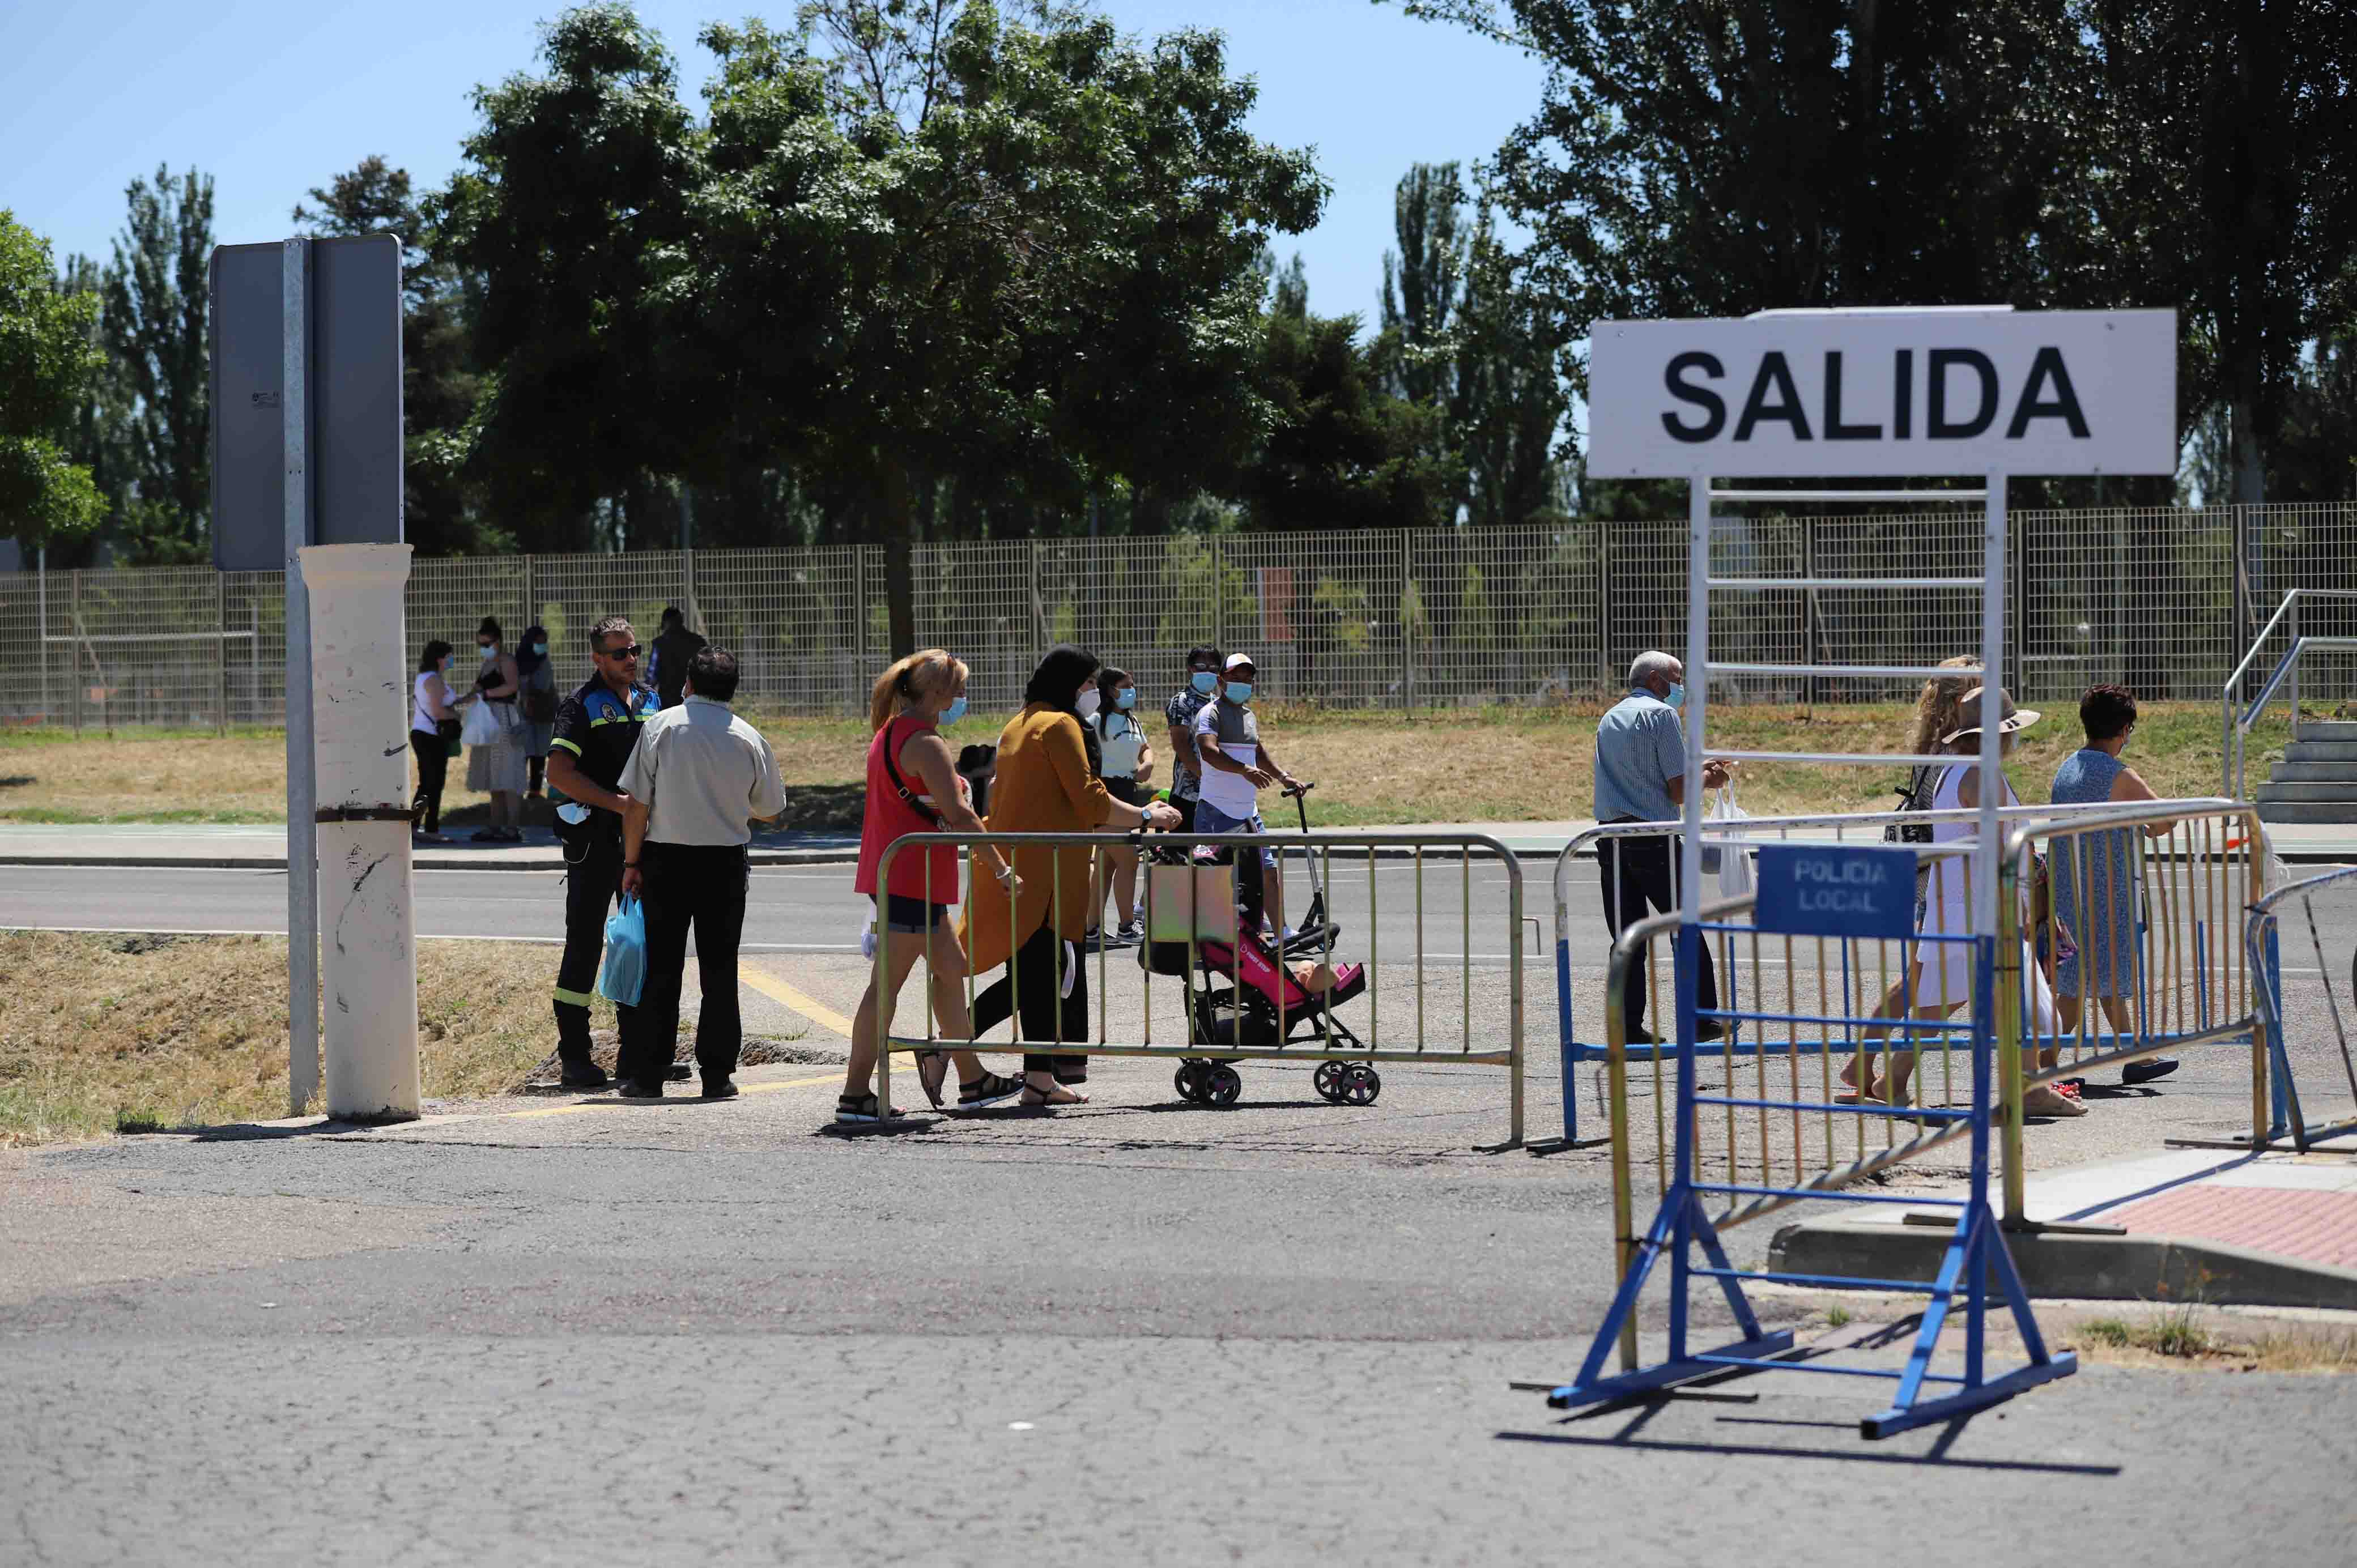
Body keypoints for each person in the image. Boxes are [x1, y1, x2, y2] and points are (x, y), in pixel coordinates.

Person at [963, 645, 1180, 1109]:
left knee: (1041, 975)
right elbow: (1089, 798)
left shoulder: (1018, 723)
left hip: (1021, 870)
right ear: (1067, 683)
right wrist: (1146, 814)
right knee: (1043, 977)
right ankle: (949, 1041)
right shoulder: (1059, 726)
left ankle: (1039, 1079)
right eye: (1086, 684)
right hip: (1046, 877)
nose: (1092, 693)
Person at [1849, 688, 2083, 1118]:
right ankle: (2029, 1088)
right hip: (1984, 905)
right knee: (2011, 992)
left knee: (1943, 1001)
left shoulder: (1954, 770)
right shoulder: (1981, 774)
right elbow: (2000, 844)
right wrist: (2021, 898)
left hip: (1956, 903)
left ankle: (1894, 1079)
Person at [845, 650, 1026, 1122]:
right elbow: (960, 813)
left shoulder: (893, 732)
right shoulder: (925, 742)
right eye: (959, 689)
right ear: (938, 693)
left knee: (951, 971)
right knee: (885, 990)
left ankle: (972, 1079)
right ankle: (856, 1095)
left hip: (909, 876)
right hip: (910, 878)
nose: (964, 696)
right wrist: (1001, 869)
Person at [616, 647, 786, 1100]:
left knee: (662, 971)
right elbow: (771, 809)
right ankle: (717, 1074)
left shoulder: (661, 727)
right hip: (724, 863)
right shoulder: (749, 737)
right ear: (733, 688)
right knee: (719, 969)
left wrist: (631, 863)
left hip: (665, 859)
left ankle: (649, 1075)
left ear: (688, 682)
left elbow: (635, 804)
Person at [542, 616, 662, 1090]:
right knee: (586, 944)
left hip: (644, 842)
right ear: (597, 658)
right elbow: (558, 773)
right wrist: (617, 804)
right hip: (595, 843)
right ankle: (575, 1055)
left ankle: (639, 1054)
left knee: (640, 943)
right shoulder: (581, 705)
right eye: (619, 654)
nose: (630, 660)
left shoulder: (652, 699)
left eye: (635, 650)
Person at [1593, 650, 1728, 1045]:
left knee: (1628, 938)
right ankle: (1700, 1019)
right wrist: (1708, 777)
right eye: (1676, 678)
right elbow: (1678, 789)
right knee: (1686, 927)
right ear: (1656, 680)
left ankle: (1627, 1027)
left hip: (1611, 837)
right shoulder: (1661, 715)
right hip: (1654, 837)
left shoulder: (1609, 718)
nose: (1680, 688)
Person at [2049, 684, 2179, 1085]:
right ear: (2123, 729)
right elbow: (2164, 821)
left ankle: (2136, 1052)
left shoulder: (2067, 767)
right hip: (2105, 890)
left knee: (2092, 979)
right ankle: (2037, 1065)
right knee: (2077, 988)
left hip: (2071, 888)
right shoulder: (2119, 774)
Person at [1191, 652, 1307, 940]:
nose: (1243, 683)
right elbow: (1209, 752)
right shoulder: (1210, 713)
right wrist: (1245, 771)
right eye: (1236, 677)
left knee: (1268, 872)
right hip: (1217, 811)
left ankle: (1281, 932)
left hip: (1248, 812)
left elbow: (1258, 751)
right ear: (1222, 680)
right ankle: (1214, 941)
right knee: (1218, 881)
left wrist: (1283, 776)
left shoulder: (1248, 715)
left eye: (1248, 678)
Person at [1084, 666, 1154, 948]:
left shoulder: (1132, 721)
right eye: (1126, 686)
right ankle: (1127, 925)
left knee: (1108, 864)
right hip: (1105, 797)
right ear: (1110, 690)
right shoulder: (1094, 721)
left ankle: (1090, 928)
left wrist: (1147, 763)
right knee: (1129, 858)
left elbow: (1144, 748)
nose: (1131, 691)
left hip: (1128, 795)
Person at [459, 616, 526, 842]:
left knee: (508, 775)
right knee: (494, 778)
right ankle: (495, 825)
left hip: (505, 720)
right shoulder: (487, 664)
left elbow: (512, 686)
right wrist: (464, 699)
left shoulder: (506, 661)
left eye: (487, 644)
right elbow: (477, 687)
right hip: (488, 721)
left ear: (498, 642)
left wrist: (486, 694)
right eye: (481, 645)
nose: (484, 649)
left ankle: (512, 827)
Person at [1164, 645, 1223, 833]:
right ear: (1190, 668)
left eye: (1213, 669)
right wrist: (1204, 777)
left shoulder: (1218, 703)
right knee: (1183, 858)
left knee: (1216, 857)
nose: (1207, 672)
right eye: (1201, 666)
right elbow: (1181, 746)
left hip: (1216, 794)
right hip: (1188, 795)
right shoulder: (1182, 701)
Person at [410, 640, 458, 843]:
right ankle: (428, 828)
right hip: (429, 736)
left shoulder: (428, 678)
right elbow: (438, 712)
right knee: (432, 783)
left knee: (430, 783)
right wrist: (457, 717)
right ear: (440, 659)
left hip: (427, 735)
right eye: (449, 657)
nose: (451, 660)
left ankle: (417, 826)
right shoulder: (433, 680)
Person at [516, 624, 558, 799]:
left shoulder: (544, 661)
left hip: (542, 712)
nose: (543, 646)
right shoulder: (519, 661)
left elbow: (544, 686)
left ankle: (535, 790)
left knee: (540, 751)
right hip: (524, 712)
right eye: (539, 642)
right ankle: (517, 789)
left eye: (545, 642)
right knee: (524, 751)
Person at [648, 606, 709, 712]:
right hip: (695, 698)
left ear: (665, 623)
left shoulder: (660, 644)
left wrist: (646, 694)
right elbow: (708, 669)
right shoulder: (698, 642)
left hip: (668, 700)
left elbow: (652, 675)